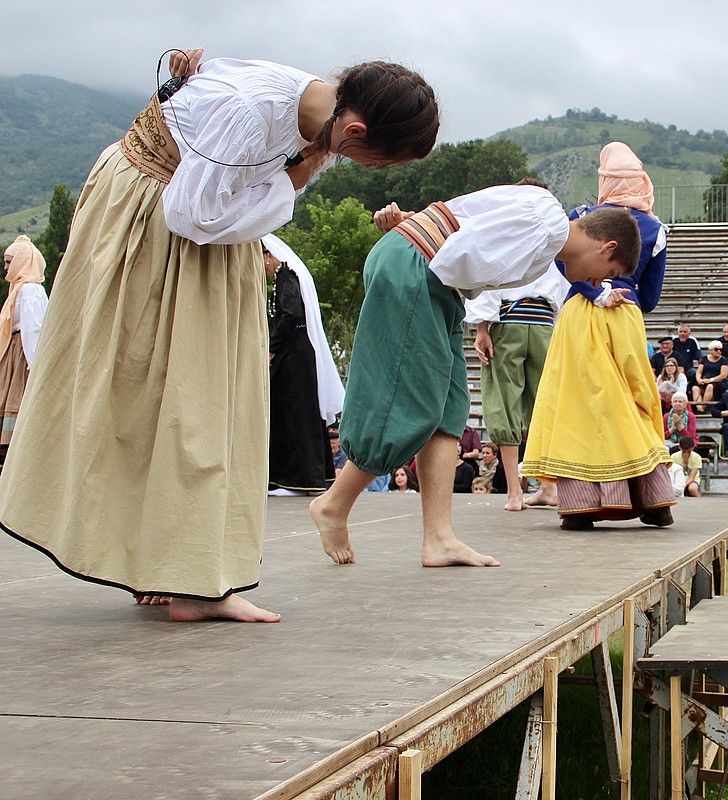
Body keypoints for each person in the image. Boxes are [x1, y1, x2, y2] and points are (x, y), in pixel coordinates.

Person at [0, 52, 439, 623]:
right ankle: (182, 578)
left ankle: (180, 569)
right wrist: (291, 181)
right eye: (372, 159)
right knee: (169, 396)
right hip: (157, 228)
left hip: (211, 239)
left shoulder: (322, 120)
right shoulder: (255, 113)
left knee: (210, 399)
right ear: (354, 129)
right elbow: (192, 212)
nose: (364, 167)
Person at [312, 182, 642, 560]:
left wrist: (415, 227)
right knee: (410, 400)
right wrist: (416, 234)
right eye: (608, 272)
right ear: (607, 247)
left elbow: (466, 222)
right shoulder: (547, 222)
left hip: (432, 276)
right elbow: (465, 253)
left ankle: (439, 538)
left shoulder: (546, 235)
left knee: (450, 407)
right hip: (419, 271)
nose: (598, 282)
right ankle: (334, 504)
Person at [523, 142, 673, 531]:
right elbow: (652, 297)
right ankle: (652, 499)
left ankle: (582, 505)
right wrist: (618, 291)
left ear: (603, 179)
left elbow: (561, 262)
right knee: (630, 401)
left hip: (577, 317)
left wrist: (593, 289)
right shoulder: (655, 230)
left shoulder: (580, 218)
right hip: (625, 315)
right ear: (643, 180)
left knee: (576, 405)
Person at [467, 246, 570, 511]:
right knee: (544, 405)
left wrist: (482, 327)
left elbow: (487, 281)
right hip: (544, 324)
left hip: (509, 321)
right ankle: (548, 487)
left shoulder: (507, 239)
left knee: (504, 402)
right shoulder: (550, 243)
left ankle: (515, 493)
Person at [262, 235, 342, 496]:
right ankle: (301, 477)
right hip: (298, 354)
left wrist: (272, 346)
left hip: (294, 356)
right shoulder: (287, 276)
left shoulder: (286, 274)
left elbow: (292, 313)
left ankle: (294, 479)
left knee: (293, 415)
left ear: (268, 255)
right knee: (298, 414)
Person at [0, 236, 48, 451]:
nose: (5, 266)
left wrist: (34, 364)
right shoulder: (19, 289)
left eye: (9, 261)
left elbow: (33, 328)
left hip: (23, 353)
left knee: (20, 398)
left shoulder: (31, 290)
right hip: (14, 350)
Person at [669, 434, 703, 498]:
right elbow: (673, 473)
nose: (686, 454)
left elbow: (692, 477)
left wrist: (682, 486)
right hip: (677, 479)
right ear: (680, 448)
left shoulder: (697, 457)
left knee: (692, 489)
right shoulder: (674, 456)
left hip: (692, 480)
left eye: (689, 452)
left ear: (692, 448)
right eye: (684, 451)